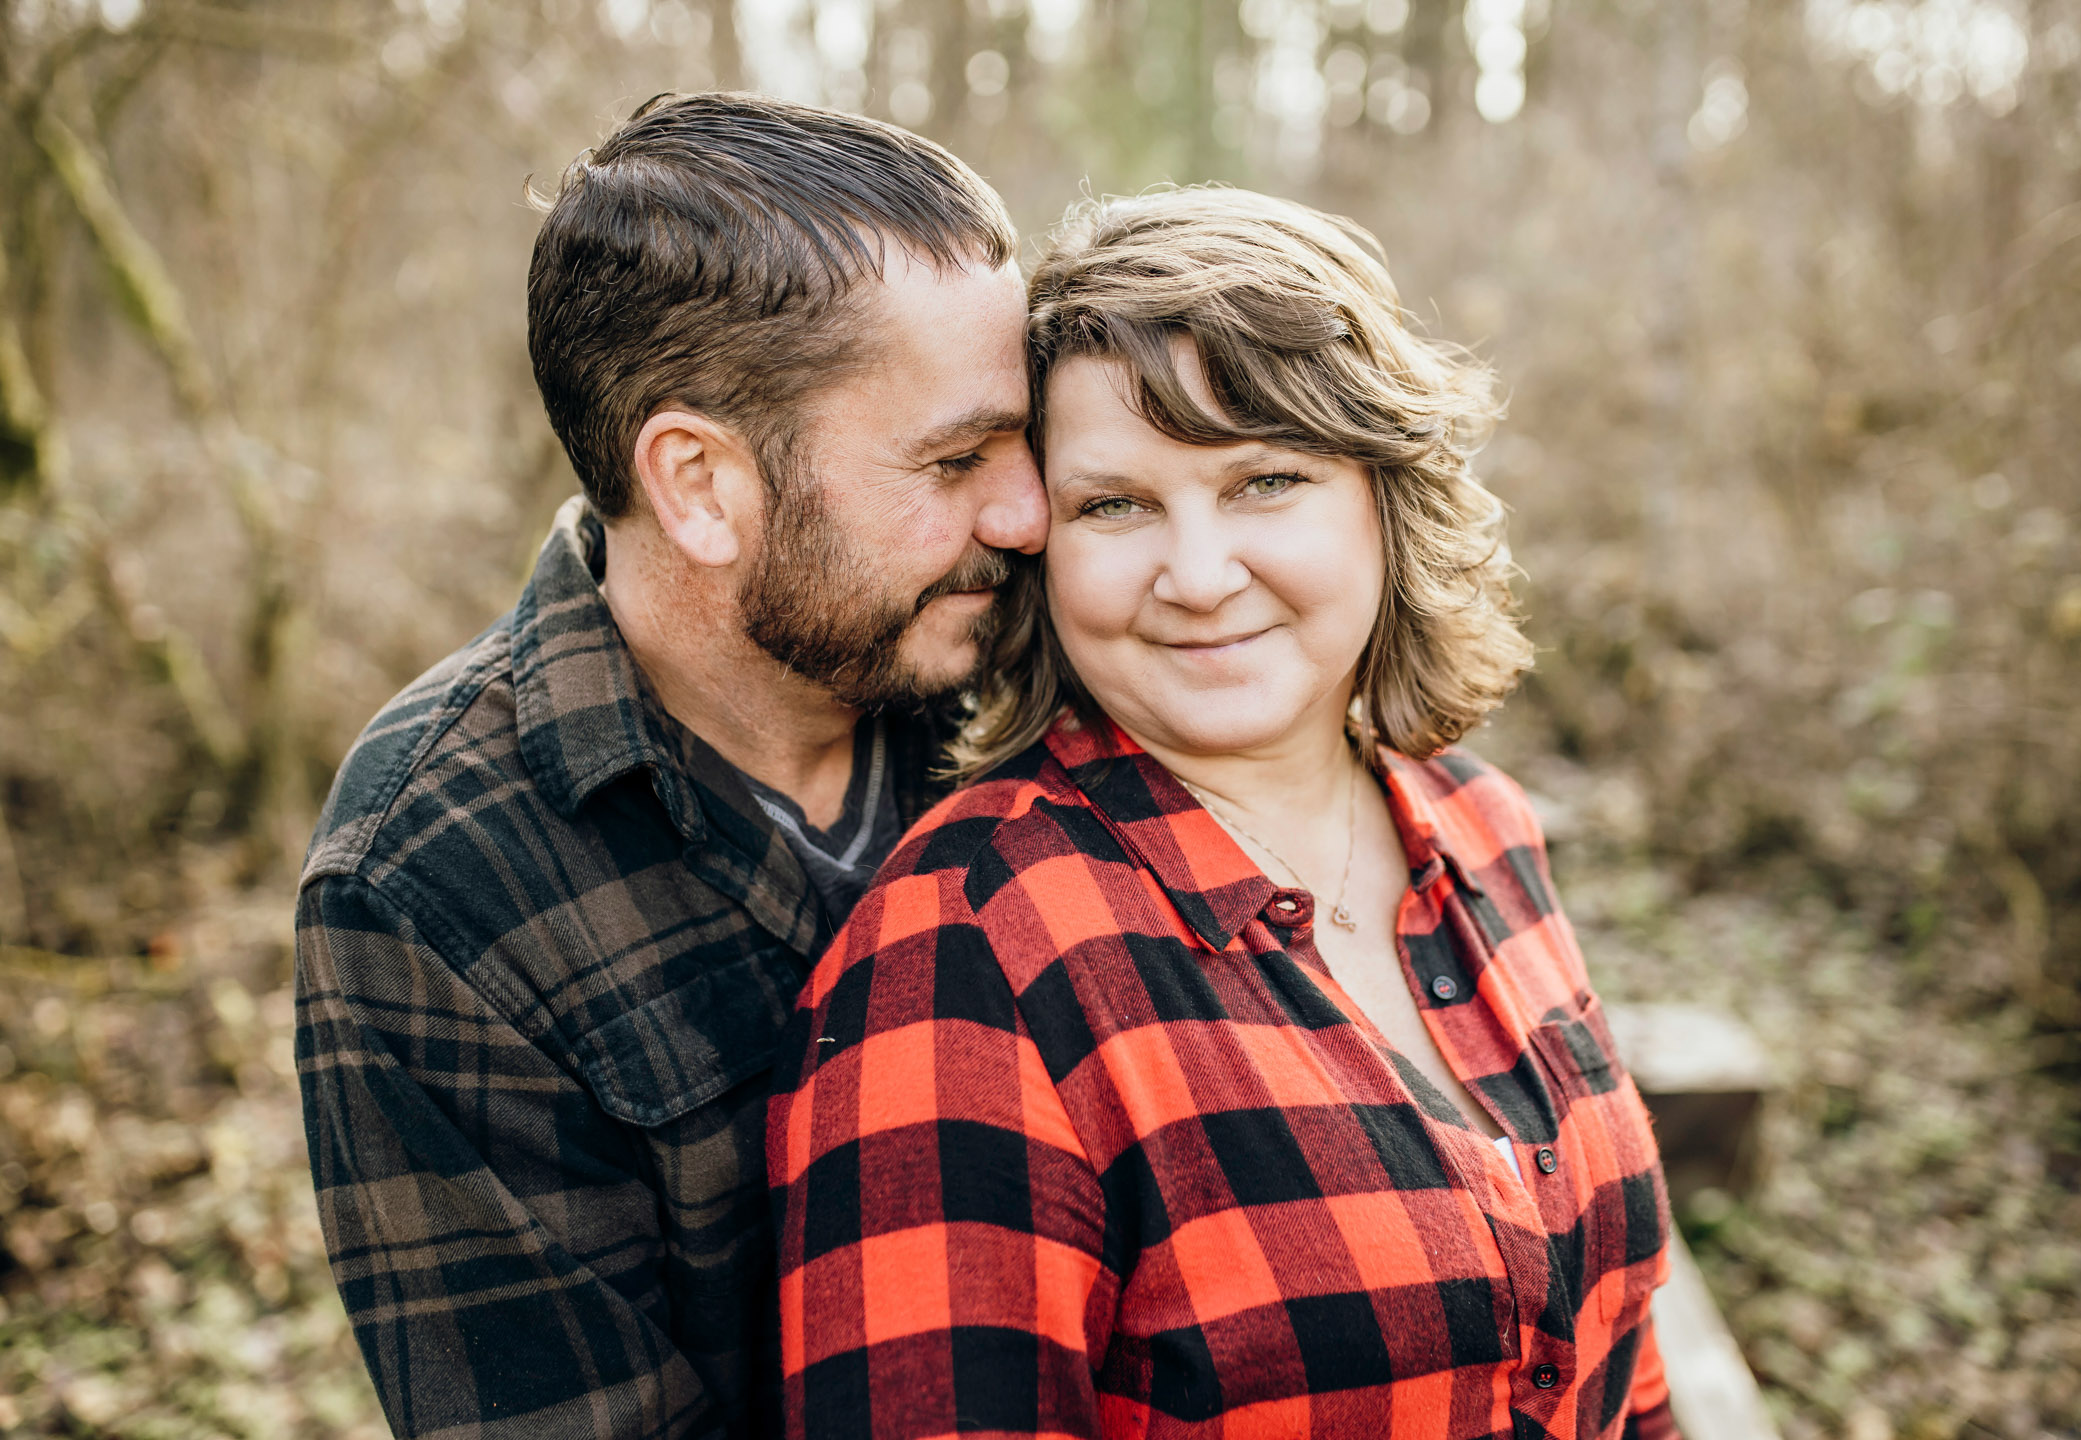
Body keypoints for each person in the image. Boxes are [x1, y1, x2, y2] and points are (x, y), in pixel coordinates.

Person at [770, 188, 1679, 1439]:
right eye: (1114, 505)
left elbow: (1624, 1367)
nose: (1197, 578)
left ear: (1384, 494)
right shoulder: (967, 950)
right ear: (1040, 545)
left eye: (1263, 480)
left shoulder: (1480, 824)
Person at [293, 93, 1045, 1440]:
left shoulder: (1036, 672)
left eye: (1023, 438)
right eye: (954, 458)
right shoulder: (431, 874)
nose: (1027, 510)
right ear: (699, 483)